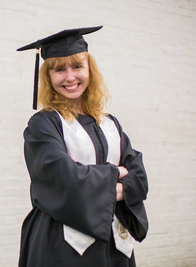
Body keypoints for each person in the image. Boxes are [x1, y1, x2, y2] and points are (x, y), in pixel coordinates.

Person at [16, 26, 149, 267]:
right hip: (62, 245)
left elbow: (139, 176)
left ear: (90, 70)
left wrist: (103, 185)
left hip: (115, 243)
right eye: (59, 69)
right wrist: (117, 177)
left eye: (77, 66)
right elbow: (62, 179)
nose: (69, 77)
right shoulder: (44, 124)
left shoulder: (109, 123)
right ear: (47, 76)